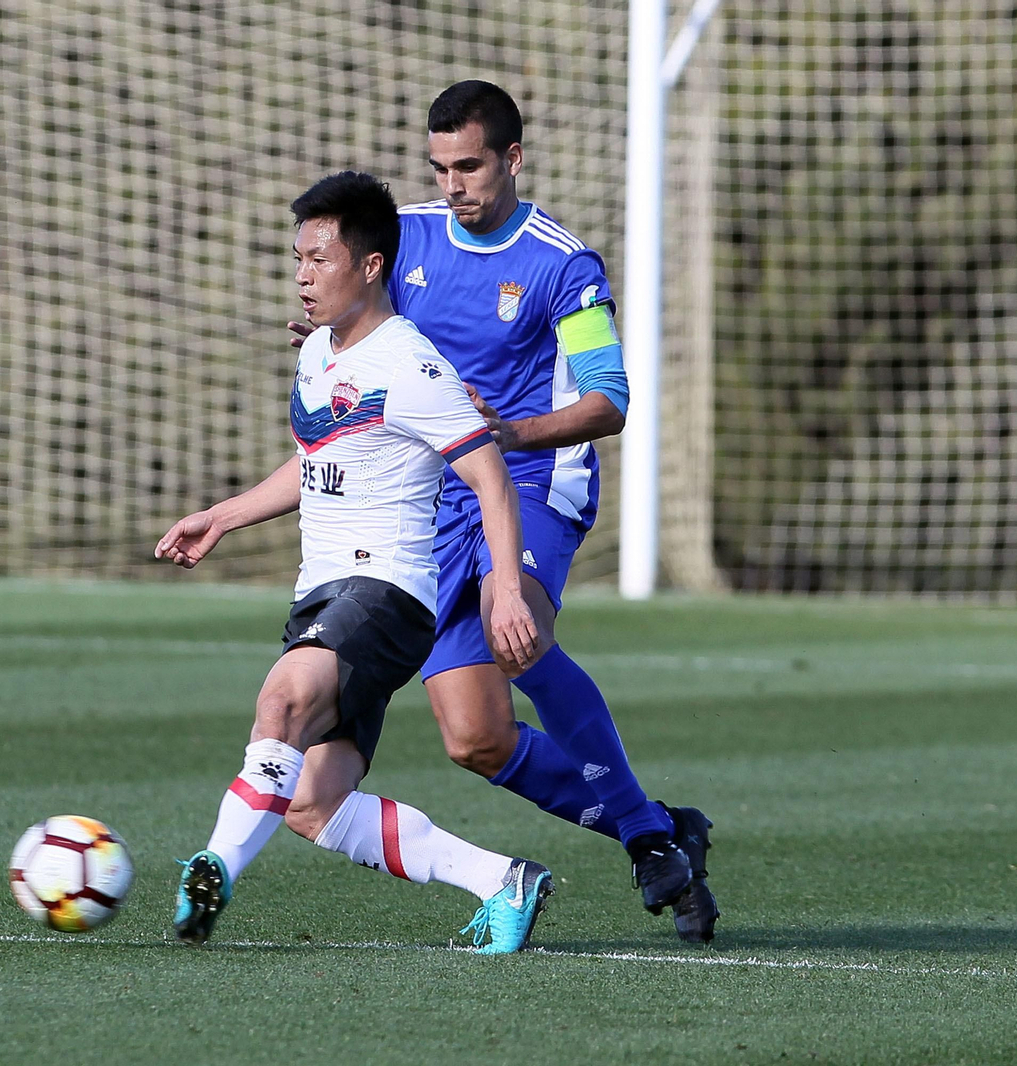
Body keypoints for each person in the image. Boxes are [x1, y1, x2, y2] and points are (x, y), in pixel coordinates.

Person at [290, 81, 719, 943]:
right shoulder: (402, 239)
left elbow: (609, 400)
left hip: (532, 480)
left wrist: (513, 429)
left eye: (471, 165)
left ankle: (643, 841)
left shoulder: (562, 264)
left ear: (513, 159)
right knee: (476, 741)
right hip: (430, 495)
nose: (454, 183)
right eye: (440, 166)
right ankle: (667, 830)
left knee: (519, 634)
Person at [156, 170, 552, 953]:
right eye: (296, 258)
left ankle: (210, 875)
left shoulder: (410, 363)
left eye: (319, 259)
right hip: (325, 595)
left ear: (370, 266)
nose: (302, 275)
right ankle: (502, 879)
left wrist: (506, 588)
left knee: (282, 700)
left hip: (386, 592)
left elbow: (490, 479)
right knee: (311, 802)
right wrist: (223, 517)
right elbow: (315, 460)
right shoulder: (321, 354)